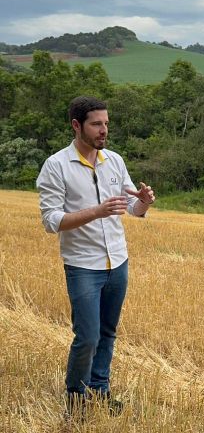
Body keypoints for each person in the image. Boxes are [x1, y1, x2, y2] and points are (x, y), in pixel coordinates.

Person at [36, 95, 155, 415]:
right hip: (82, 265)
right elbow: (51, 221)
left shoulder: (114, 161)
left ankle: (100, 391)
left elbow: (131, 207)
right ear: (77, 125)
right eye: (96, 124)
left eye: (106, 124)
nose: (104, 130)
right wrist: (96, 211)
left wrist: (144, 201)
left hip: (118, 262)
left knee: (107, 333)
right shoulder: (57, 165)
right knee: (87, 337)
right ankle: (76, 399)